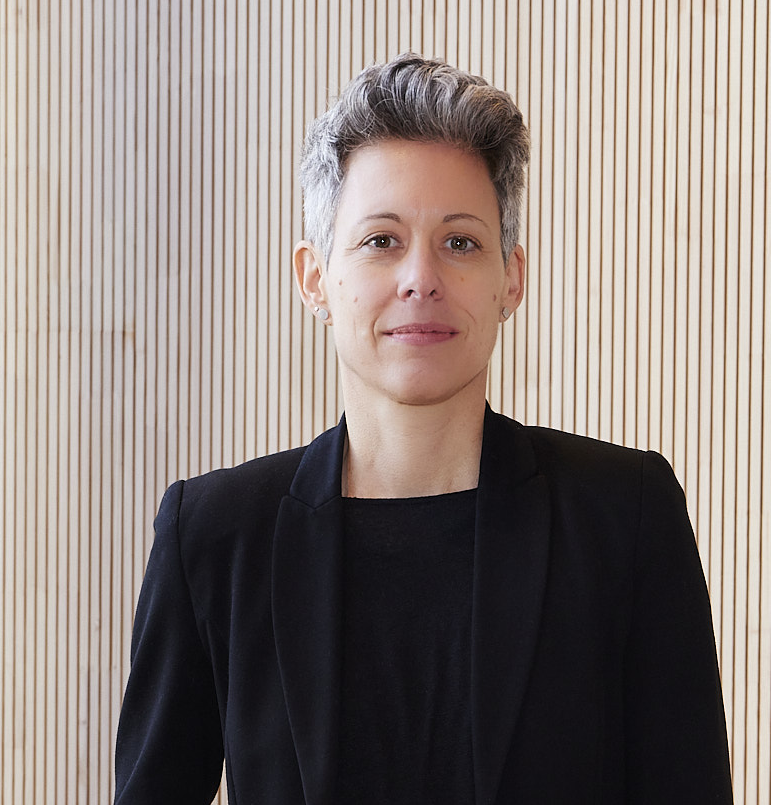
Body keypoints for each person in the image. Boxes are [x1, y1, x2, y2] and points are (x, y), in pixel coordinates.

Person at [114, 53, 733, 804]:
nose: (420, 277)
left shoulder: (623, 516)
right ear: (316, 278)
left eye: (460, 241)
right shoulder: (213, 535)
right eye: (381, 240)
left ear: (512, 279)